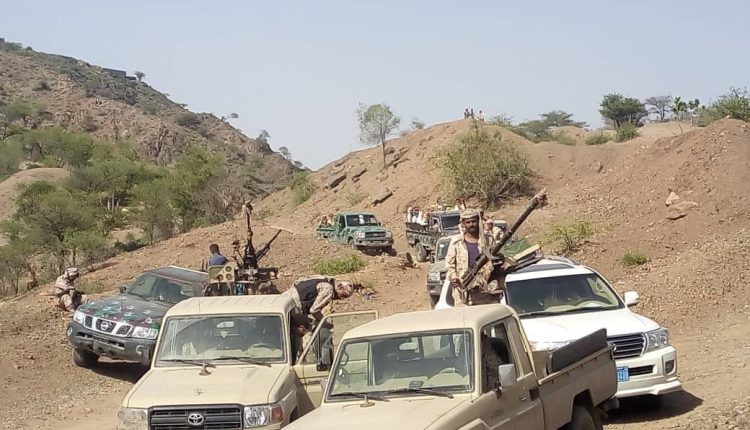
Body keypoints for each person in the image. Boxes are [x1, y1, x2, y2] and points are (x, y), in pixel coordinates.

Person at [445, 209, 501, 306]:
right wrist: (454, 277)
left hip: (485, 293)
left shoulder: (488, 240)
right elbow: (449, 265)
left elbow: (496, 262)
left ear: (478, 221)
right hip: (463, 295)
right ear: (463, 224)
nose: (471, 224)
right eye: (468, 222)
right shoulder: (457, 242)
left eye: (474, 221)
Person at [282, 276, 355, 323]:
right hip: (293, 306)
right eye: (342, 295)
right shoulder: (329, 289)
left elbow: (299, 280)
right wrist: (324, 321)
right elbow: (314, 310)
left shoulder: (323, 278)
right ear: (340, 287)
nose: (341, 298)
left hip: (286, 296)